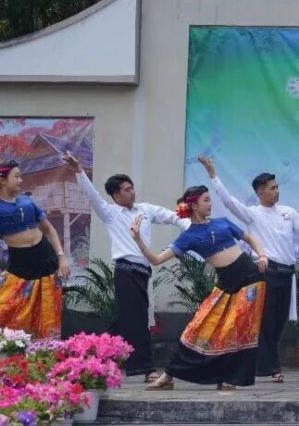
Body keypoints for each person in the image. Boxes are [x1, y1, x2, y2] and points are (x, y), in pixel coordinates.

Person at [63, 152, 189, 382]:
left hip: (143, 273)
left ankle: (88, 357)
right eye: (127, 189)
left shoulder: (145, 210)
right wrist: (79, 170)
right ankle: (146, 369)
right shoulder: (110, 214)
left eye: (132, 188)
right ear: (116, 196)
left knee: (123, 322)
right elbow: (92, 195)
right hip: (125, 271)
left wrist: (190, 225)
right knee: (138, 321)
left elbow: (172, 217)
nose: (132, 192)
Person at [197, 156, 299, 383]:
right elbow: (229, 201)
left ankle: (263, 366)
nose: (277, 191)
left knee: (279, 322)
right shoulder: (252, 214)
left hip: (287, 274)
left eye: (277, 187)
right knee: (266, 322)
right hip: (266, 273)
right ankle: (272, 368)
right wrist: (213, 175)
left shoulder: (288, 212)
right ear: (260, 192)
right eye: (272, 188)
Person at [131, 186, 269, 390]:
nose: (210, 204)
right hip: (226, 283)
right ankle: (168, 376)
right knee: (196, 328)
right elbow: (156, 260)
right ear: (194, 205)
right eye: (206, 200)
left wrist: (262, 255)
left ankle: (230, 378)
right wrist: (138, 240)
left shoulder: (222, 222)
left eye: (209, 199)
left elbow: (249, 238)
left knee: (238, 329)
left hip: (251, 280)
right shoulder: (188, 236)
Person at [0, 159, 71, 338]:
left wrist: (61, 257)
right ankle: (13, 346)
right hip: (20, 264)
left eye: (21, 176)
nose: (21, 180)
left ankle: (47, 350)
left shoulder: (27, 202)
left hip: (46, 258)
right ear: (2, 180)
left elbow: (49, 229)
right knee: (8, 307)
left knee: (49, 313)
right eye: (16, 176)